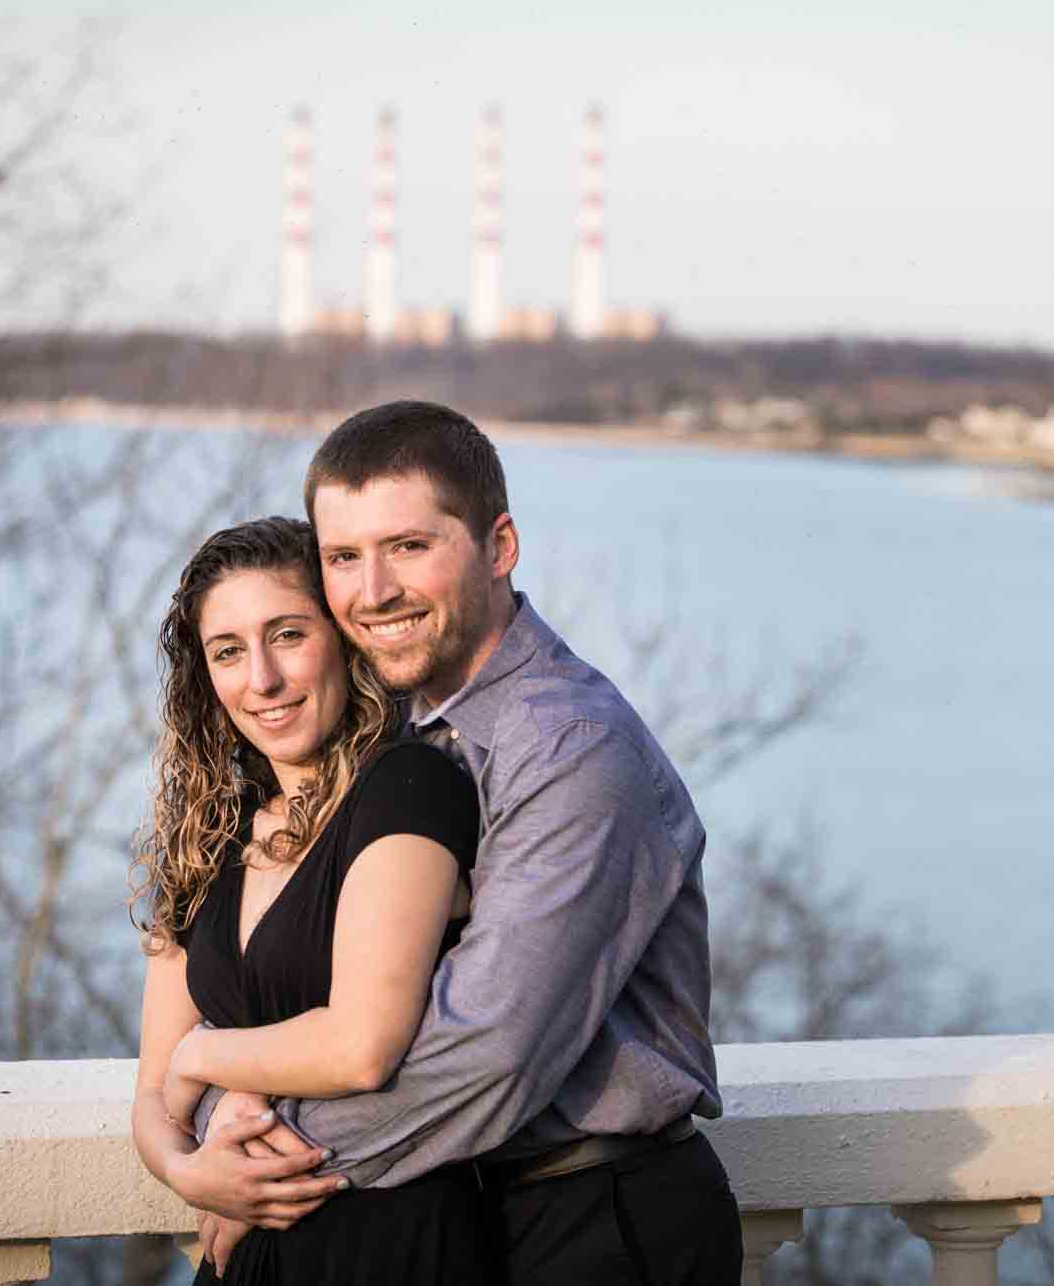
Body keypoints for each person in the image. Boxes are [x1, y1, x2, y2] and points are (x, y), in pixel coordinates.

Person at [197, 401, 743, 1284]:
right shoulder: (393, 735)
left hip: (597, 1225)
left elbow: (488, 1050)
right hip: (457, 1213)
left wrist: (264, 1159)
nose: (373, 592)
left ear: (499, 547)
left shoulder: (570, 748)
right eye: (344, 557)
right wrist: (217, 1109)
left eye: (409, 547)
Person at [130, 516, 485, 1282]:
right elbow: (153, 1094)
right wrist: (190, 1173)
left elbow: (362, 1047)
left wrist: (209, 1058)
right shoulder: (208, 839)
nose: (261, 679)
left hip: (391, 1243)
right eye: (228, 651)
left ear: (341, 639)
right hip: (247, 1257)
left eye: (287, 634)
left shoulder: (408, 789)